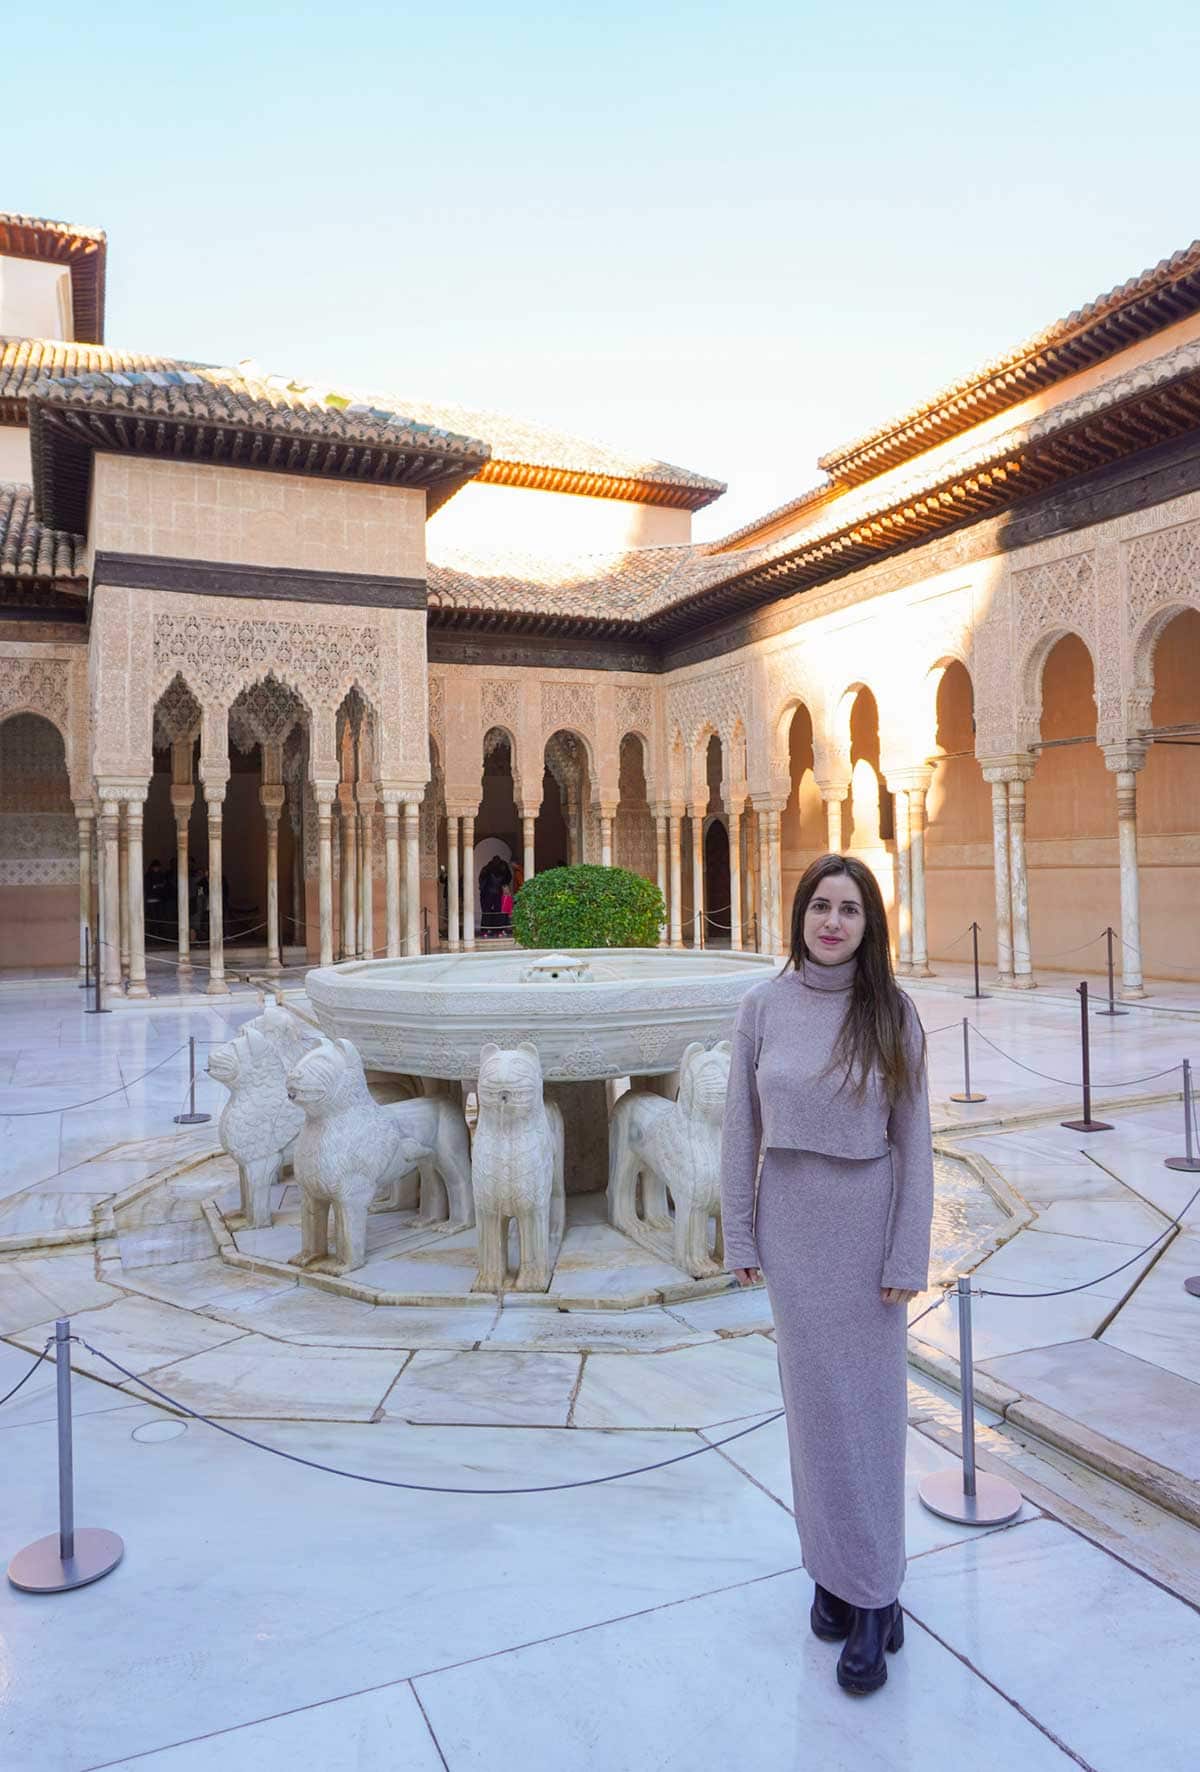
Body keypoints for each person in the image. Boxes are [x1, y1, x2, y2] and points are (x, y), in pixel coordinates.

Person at [720, 853, 933, 1697]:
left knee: (869, 1419)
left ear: (867, 924)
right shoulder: (762, 1008)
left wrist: (905, 1254)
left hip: (866, 1229)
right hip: (795, 1234)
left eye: (849, 909)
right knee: (813, 1418)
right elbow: (741, 1130)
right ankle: (832, 1571)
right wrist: (740, 1229)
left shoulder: (893, 1013)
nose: (833, 922)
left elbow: (914, 1142)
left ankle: (877, 1596)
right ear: (800, 915)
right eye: (820, 906)